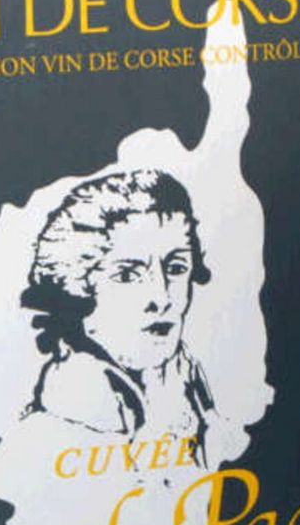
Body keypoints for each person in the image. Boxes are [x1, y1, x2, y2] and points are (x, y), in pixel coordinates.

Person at [20, 167, 216, 466]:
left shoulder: (187, 377)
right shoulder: (70, 409)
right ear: (77, 287)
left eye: (176, 269)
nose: (162, 298)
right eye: (127, 275)